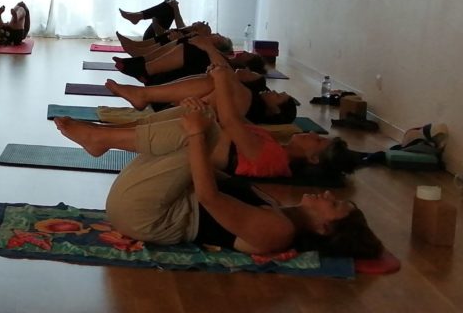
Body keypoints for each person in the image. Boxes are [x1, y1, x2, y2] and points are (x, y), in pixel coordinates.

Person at [54, 98, 382, 258]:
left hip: (146, 214)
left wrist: (197, 137)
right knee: (199, 117)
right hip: (150, 203)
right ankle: (102, 136)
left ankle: (101, 139)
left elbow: (210, 198)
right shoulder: (280, 211)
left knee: (203, 129)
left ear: (325, 228)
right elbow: (212, 177)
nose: (327, 196)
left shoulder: (277, 231)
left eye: (334, 205)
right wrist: (191, 124)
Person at [77, 66, 354, 178]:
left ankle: (102, 137)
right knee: (208, 93)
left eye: (317, 140)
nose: (311, 135)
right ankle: (104, 134)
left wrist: (222, 82)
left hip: (209, 145)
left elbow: (233, 125)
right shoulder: (277, 149)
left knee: (198, 107)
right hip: (214, 135)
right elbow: (233, 124)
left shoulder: (275, 159)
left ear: (314, 159)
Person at [105, 65, 298, 125]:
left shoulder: (248, 100)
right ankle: (144, 94)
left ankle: (145, 94)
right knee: (213, 80)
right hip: (181, 106)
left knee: (216, 80)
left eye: (278, 96)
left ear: (274, 110)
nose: (273, 91)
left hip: (185, 110)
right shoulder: (247, 95)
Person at [119, 0, 185, 39]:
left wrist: (175, 7)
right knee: (169, 6)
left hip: (160, 41)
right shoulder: (192, 33)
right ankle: (137, 17)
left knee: (170, 7)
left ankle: (137, 17)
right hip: (153, 37)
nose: (195, 23)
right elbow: (183, 29)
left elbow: (182, 30)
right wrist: (174, 7)